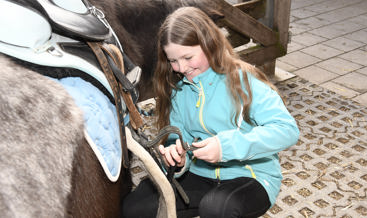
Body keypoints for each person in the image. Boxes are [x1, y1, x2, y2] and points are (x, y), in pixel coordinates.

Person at [122, 6, 299, 218]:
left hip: (249, 175)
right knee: (134, 208)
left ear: (209, 44)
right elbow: (179, 139)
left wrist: (226, 147)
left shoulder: (244, 81)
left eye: (188, 57)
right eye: (173, 60)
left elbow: (287, 130)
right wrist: (177, 158)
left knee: (216, 208)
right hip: (199, 173)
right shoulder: (180, 91)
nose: (180, 67)